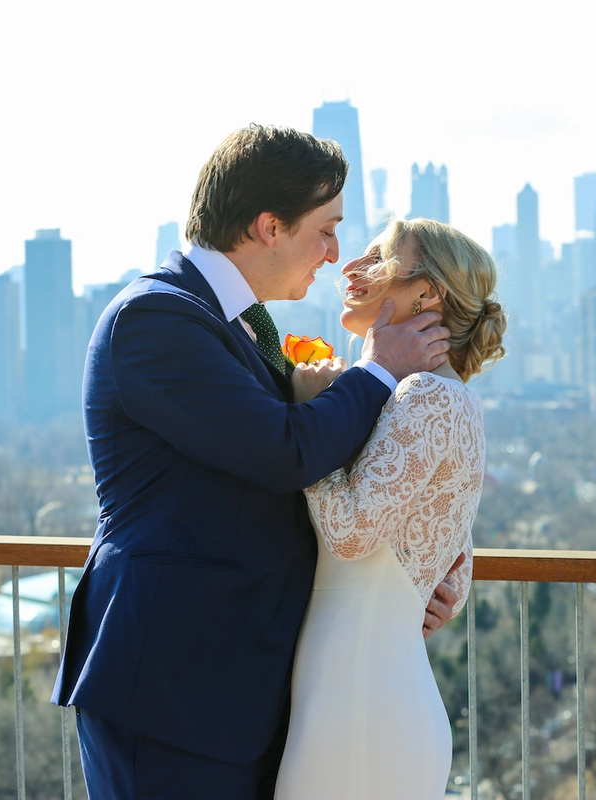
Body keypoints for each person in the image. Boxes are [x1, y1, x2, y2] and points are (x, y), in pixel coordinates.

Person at [51, 125, 469, 800]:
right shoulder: (155, 319)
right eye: (326, 231)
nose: (334, 255)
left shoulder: (239, 325)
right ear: (270, 226)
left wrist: (411, 577)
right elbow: (285, 452)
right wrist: (377, 370)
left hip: (248, 690)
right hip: (170, 691)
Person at [275, 218, 506, 799]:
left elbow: (351, 534)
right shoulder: (444, 397)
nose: (350, 267)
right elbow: (445, 537)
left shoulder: (425, 396)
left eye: (378, 257)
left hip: (359, 707)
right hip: (363, 697)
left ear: (427, 294)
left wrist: (309, 418)